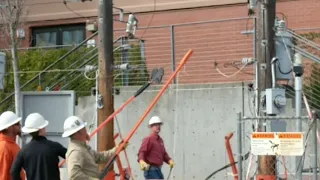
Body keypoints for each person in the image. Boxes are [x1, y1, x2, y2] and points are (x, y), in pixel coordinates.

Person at [62, 116, 127, 180]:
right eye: (83, 128)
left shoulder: (83, 148)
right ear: (79, 131)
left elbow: (100, 157)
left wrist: (117, 149)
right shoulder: (76, 151)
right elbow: (74, 175)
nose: (85, 129)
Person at [10, 113, 67, 180]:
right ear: (42, 128)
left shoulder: (23, 151)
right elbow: (71, 155)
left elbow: (14, 171)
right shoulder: (54, 146)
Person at [0, 111, 25, 180]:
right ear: (9, 127)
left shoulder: (12, 144)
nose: (20, 125)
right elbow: (2, 174)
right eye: (17, 124)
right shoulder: (4, 146)